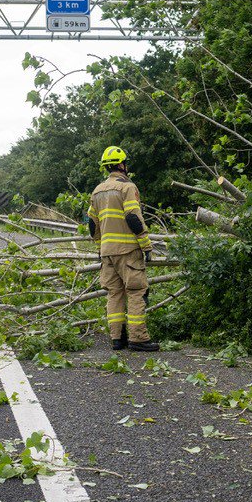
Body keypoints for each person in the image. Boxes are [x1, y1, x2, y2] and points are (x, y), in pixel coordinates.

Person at [85, 145, 159, 352]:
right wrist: (146, 245)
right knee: (136, 291)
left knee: (114, 294)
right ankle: (138, 338)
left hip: (107, 252)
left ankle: (117, 338)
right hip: (128, 250)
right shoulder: (128, 187)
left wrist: (101, 247)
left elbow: (92, 224)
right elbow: (133, 217)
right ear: (121, 164)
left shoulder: (97, 191)